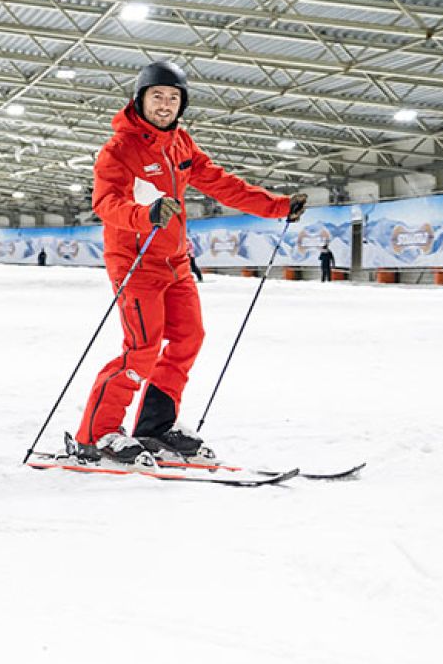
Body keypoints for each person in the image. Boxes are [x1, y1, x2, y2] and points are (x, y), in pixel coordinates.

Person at [75, 61, 307, 463]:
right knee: (141, 350)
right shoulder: (120, 148)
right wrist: (143, 215)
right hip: (137, 261)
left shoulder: (181, 144)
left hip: (176, 263)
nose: (165, 105)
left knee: (188, 339)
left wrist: (278, 207)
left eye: (173, 98)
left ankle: (156, 425)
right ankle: (97, 434)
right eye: (157, 96)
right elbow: (106, 203)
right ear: (140, 99)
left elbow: (221, 183)